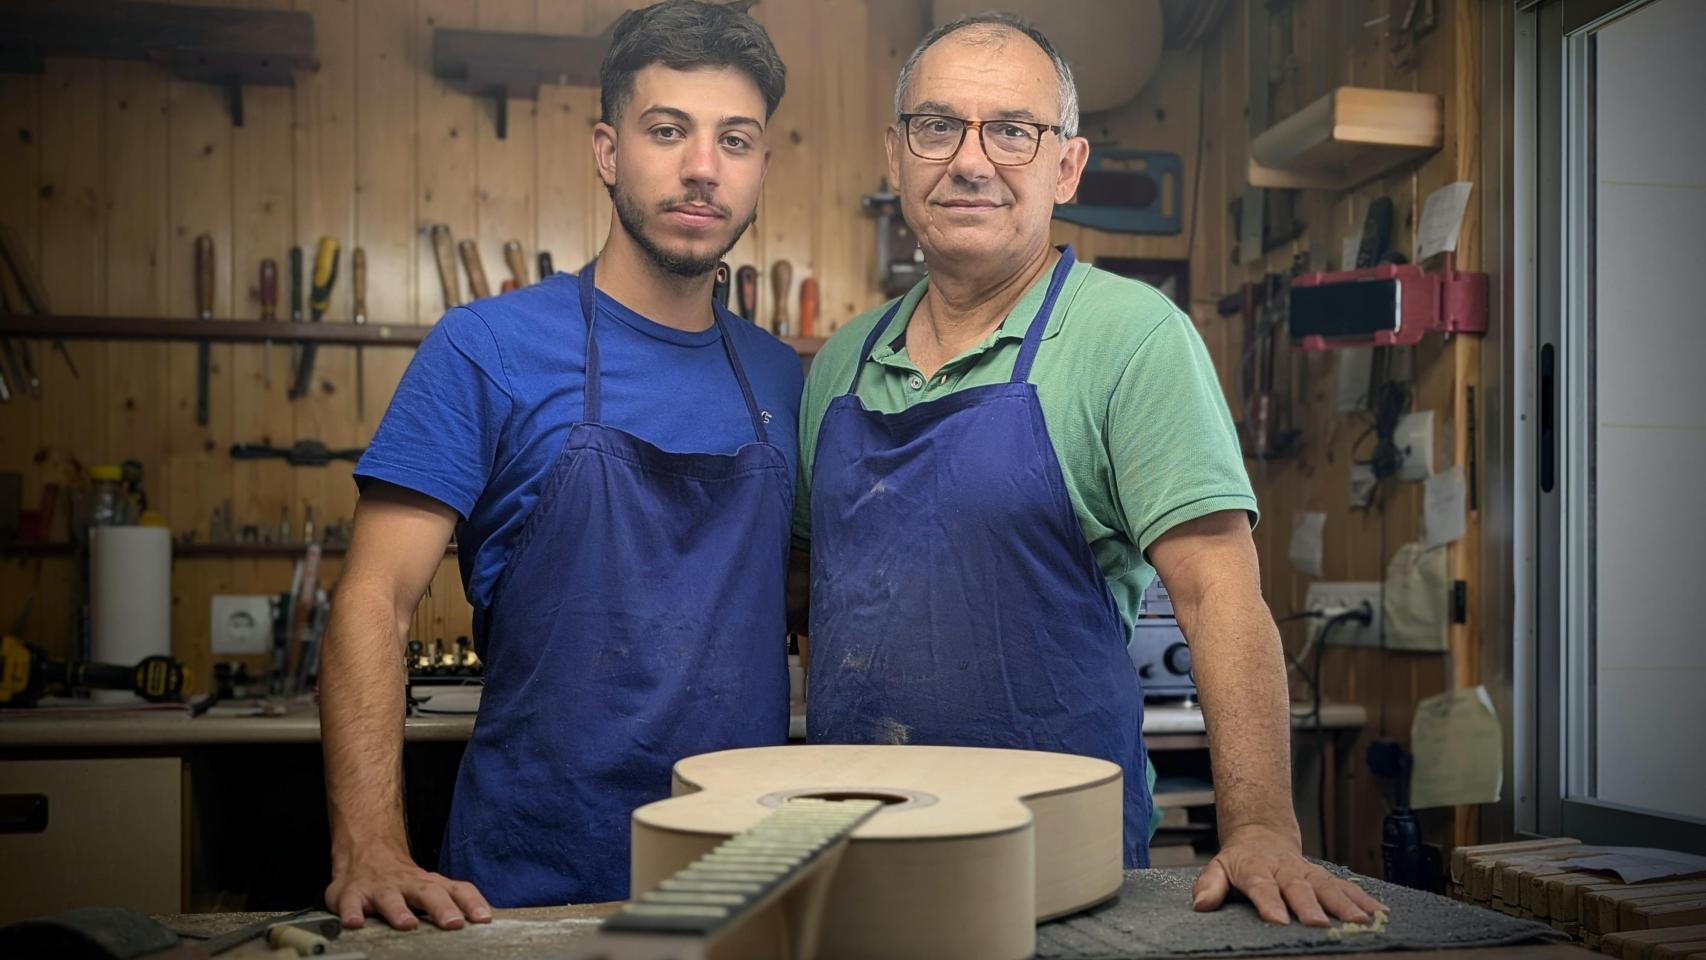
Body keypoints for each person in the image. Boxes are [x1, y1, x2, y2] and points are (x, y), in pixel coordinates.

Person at [793, 13, 1386, 927]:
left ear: (1066, 167)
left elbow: (1220, 596)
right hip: (855, 856)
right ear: (897, 153)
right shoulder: (839, 366)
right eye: (938, 126)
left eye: (1014, 131)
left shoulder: (1132, 339)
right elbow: (805, 586)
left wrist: (1263, 826)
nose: (971, 160)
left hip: (1055, 860)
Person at [319, 0, 799, 928]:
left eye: (734, 140)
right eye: (669, 132)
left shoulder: (784, 378)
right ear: (609, 151)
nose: (703, 167)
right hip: (527, 883)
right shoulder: (484, 348)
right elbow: (372, 598)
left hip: (743, 885)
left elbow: (809, 593)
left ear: (761, 168)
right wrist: (370, 843)